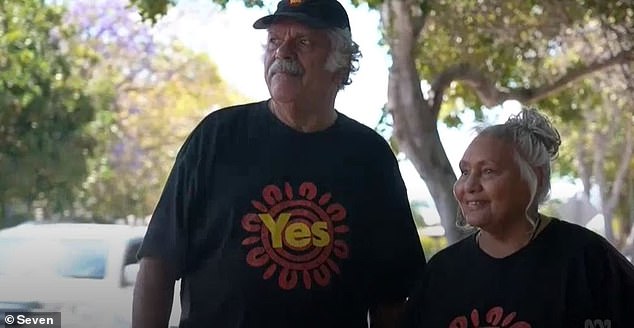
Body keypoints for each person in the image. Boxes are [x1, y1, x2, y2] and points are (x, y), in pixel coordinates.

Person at [132, 0, 426, 327]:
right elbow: (158, 262)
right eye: (274, 41)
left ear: (340, 67)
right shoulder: (216, 138)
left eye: (302, 43)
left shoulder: (371, 157)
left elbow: (392, 297)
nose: (282, 52)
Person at [402, 109, 634, 328]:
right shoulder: (441, 273)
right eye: (465, 172)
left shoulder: (588, 261)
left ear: (537, 178)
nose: (469, 185)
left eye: (488, 171)